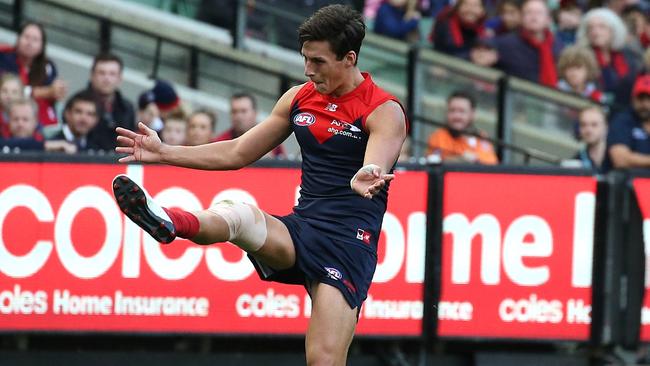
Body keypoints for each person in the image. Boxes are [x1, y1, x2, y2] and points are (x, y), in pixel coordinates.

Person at [111, 5, 406, 365]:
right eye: (305, 59)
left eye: (318, 61)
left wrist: (369, 172)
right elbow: (237, 151)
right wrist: (165, 152)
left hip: (349, 242)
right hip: (303, 227)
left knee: (323, 360)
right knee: (239, 217)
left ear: (349, 58)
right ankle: (170, 221)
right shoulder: (299, 97)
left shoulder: (383, 109)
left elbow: (377, 161)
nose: (308, 70)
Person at [472, 0, 563, 87]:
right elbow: (482, 46)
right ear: (521, 18)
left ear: (548, 19)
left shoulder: (557, 47)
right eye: (528, 12)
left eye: (539, 13)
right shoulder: (506, 43)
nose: (533, 17)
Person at [0, 22, 67, 126]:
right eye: (26, 37)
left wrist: (59, 91)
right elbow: (7, 91)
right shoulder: (3, 57)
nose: (29, 42)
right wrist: (44, 92)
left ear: (42, 46)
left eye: (35, 39)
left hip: (40, 119)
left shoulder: (48, 66)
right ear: (18, 39)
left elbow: (53, 93)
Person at [576, 7, 639, 110]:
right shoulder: (581, 57)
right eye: (590, 28)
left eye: (602, 27)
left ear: (613, 30)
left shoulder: (628, 56)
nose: (595, 32)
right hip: (593, 108)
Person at [427, 90, 498, 164]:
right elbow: (433, 164)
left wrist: (475, 160)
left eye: (462, 111)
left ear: (472, 114)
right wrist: (460, 159)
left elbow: (492, 164)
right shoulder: (439, 136)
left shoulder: (481, 136)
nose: (456, 116)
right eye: (452, 110)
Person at [83, 53, 135, 151]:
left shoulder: (128, 108)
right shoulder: (78, 105)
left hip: (118, 163)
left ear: (120, 78)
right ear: (92, 75)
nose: (106, 78)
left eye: (112, 74)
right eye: (102, 73)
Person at [214, 92, 286, 158]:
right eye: (234, 112)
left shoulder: (272, 139)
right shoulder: (221, 142)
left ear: (255, 113)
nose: (238, 116)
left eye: (243, 111)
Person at [606, 74, 650, 170]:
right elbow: (620, 160)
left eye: (649, 99)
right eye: (641, 98)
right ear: (633, 98)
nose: (645, 104)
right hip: (628, 182)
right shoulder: (622, 120)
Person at [2, 97, 75, 153]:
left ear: (35, 121)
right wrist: (44, 145)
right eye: (15, 119)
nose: (20, 124)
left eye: (25, 119)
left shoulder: (46, 140)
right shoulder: (47, 144)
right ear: (8, 121)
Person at [575, 106, 608, 173]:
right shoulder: (576, 162)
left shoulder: (617, 159)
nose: (588, 130)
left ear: (606, 127)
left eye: (594, 125)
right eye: (583, 125)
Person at [0, 73, 23, 138]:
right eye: (4, 91)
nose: (9, 96)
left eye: (14, 92)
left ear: (21, 95)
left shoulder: (28, 114)